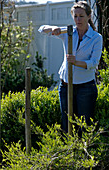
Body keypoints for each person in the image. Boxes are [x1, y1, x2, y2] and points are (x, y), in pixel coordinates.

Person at [38, 1, 103, 133]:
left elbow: (93, 63)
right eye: (75, 16)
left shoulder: (96, 38)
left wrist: (76, 62)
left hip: (85, 87)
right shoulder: (68, 32)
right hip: (66, 86)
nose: (78, 19)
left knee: (83, 126)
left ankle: (83, 152)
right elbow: (42, 28)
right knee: (67, 123)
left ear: (89, 16)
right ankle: (69, 151)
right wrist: (53, 28)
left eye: (81, 16)